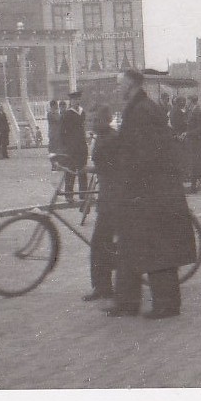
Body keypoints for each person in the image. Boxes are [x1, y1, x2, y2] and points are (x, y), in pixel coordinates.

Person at [106, 69, 197, 319]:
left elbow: (146, 153)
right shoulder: (140, 108)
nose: (117, 88)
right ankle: (126, 301)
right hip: (148, 189)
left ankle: (166, 305)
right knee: (130, 244)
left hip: (152, 190)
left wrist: (130, 181)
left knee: (157, 248)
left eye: (120, 84)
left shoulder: (142, 111)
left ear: (131, 84)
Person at [82, 105, 118, 302]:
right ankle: (103, 285)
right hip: (109, 195)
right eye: (91, 120)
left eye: (96, 120)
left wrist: (85, 169)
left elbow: (107, 167)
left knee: (99, 243)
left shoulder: (109, 139)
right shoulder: (105, 137)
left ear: (106, 120)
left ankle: (102, 287)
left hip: (113, 198)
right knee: (103, 242)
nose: (93, 124)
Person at [60, 91, 88, 204]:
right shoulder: (67, 114)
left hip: (81, 146)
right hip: (72, 147)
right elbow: (62, 133)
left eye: (78, 99)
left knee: (82, 169)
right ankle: (69, 195)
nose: (77, 101)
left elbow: (83, 128)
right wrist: (66, 146)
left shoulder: (82, 113)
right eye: (75, 99)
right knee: (70, 170)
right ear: (70, 101)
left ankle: (83, 193)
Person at [46, 100, 61, 170]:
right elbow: (58, 119)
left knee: (57, 150)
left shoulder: (56, 113)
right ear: (53, 106)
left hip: (57, 134)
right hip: (53, 135)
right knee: (52, 150)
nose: (57, 106)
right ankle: (53, 165)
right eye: (56, 105)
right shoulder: (50, 113)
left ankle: (57, 164)